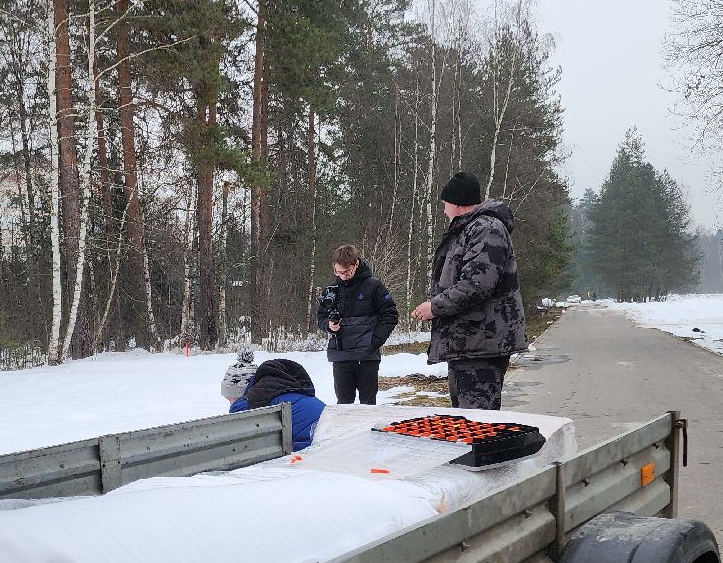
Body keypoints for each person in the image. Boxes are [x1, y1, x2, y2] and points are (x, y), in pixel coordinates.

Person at [410, 171, 527, 409]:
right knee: (467, 422)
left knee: (478, 424)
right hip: (470, 343)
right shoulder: (470, 228)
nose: (443, 210)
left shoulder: (486, 228)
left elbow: (477, 284)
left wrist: (435, 307)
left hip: (481, 342)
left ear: (456, 203)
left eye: (444, 204)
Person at [319, 245, 399, 405]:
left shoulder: (374, 286)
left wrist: (375, 340)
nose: (342, 276)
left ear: (356, 265)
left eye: (346, 272)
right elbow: (320, 317)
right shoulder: (331, 289)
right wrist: (329, 325)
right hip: (341, 355)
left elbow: (391, 315)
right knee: (343, 404)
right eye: (338, 272)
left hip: (367, 356)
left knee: (368, 404)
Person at [221, 354, 325, 451]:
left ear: (243, 391)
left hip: (315, 450)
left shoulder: (245, 405)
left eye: (231, 397)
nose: (230, 402)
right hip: (331, 435)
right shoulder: (287, 390)